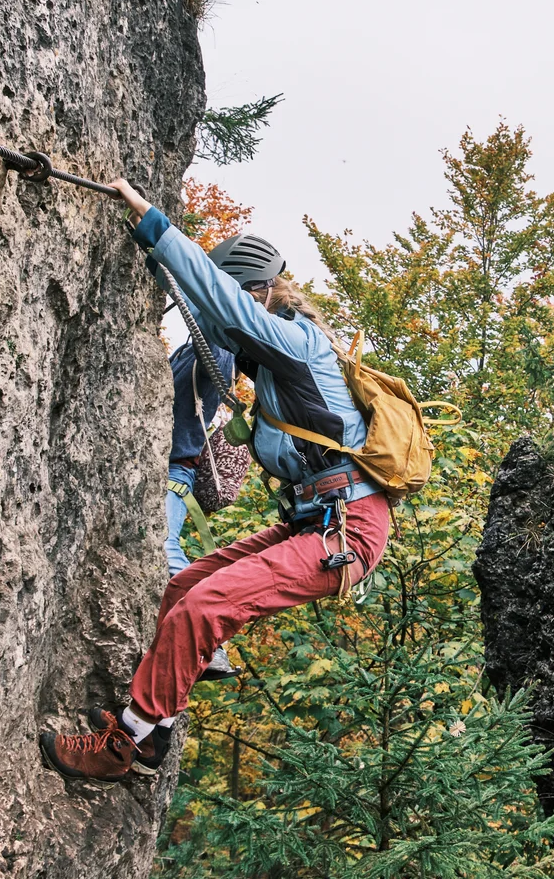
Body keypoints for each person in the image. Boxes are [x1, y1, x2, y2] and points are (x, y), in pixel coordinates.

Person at [38, 178, 394, 783]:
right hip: (313, 522)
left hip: (347, 531)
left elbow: (220, 303)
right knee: (184, 589)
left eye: (233, 303)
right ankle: (156, 738)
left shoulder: (298, 345)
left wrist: (152, 224)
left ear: (257, 295)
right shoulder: (275, 365)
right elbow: (213, 315)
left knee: (203, 609)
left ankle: (119, 746)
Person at [164, 239, 270, 683]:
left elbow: (201, 304)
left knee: (165, 548)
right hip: (172, 465)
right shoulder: (205, 345)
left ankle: (212, 646)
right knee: (165, 548)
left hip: (175, 469)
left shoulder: (217, 353)